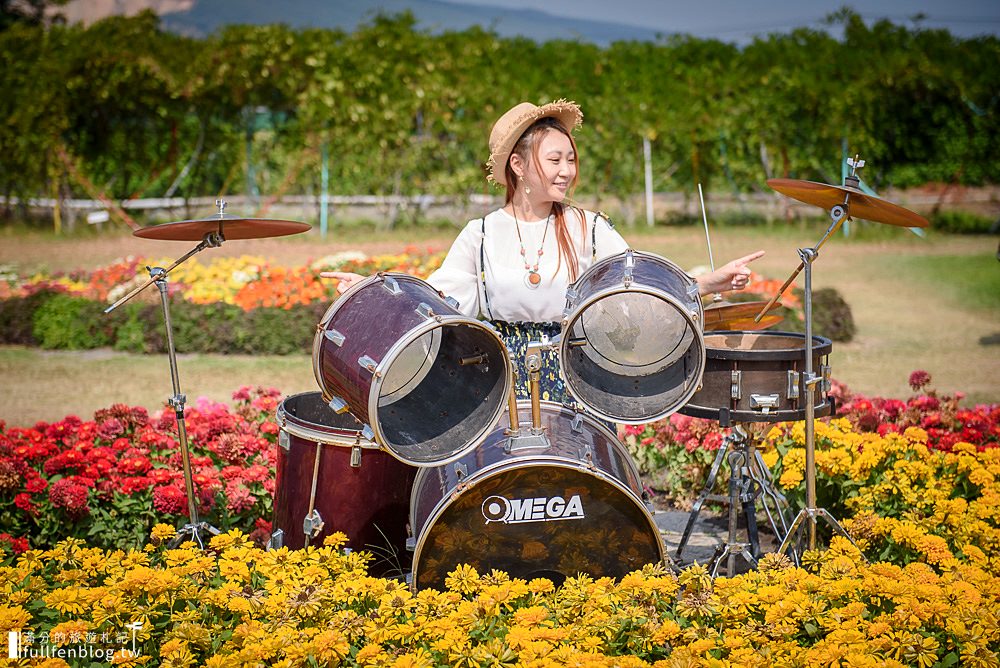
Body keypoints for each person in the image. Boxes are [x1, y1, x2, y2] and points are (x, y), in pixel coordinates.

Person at [323, 99, 763, 403]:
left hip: (580, 378)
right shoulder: (480, 234)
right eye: (555, 161)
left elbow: (639, 287)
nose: (567, 171)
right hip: (498, 382)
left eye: (570, 160)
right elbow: (438, 301)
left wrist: (707, 282)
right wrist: (374, 294)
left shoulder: (590, 228)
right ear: (518, 165)